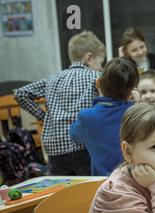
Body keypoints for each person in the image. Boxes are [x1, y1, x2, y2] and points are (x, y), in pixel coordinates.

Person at [15, 31, 105, 176]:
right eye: (101, 62)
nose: (101, 67)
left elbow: (21, 94)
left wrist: (44, 117)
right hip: (83, 146)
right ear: (89, 58)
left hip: (54, 148)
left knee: (60, 190)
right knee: (88, 190)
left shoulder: (53, 79)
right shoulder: (97, 76)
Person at [70, 57, 139, 176]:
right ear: (130, 92)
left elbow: (74, 135)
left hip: (100, 183)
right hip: (132, 179)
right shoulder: (135, 112)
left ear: (98, 83)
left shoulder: (86, 116)